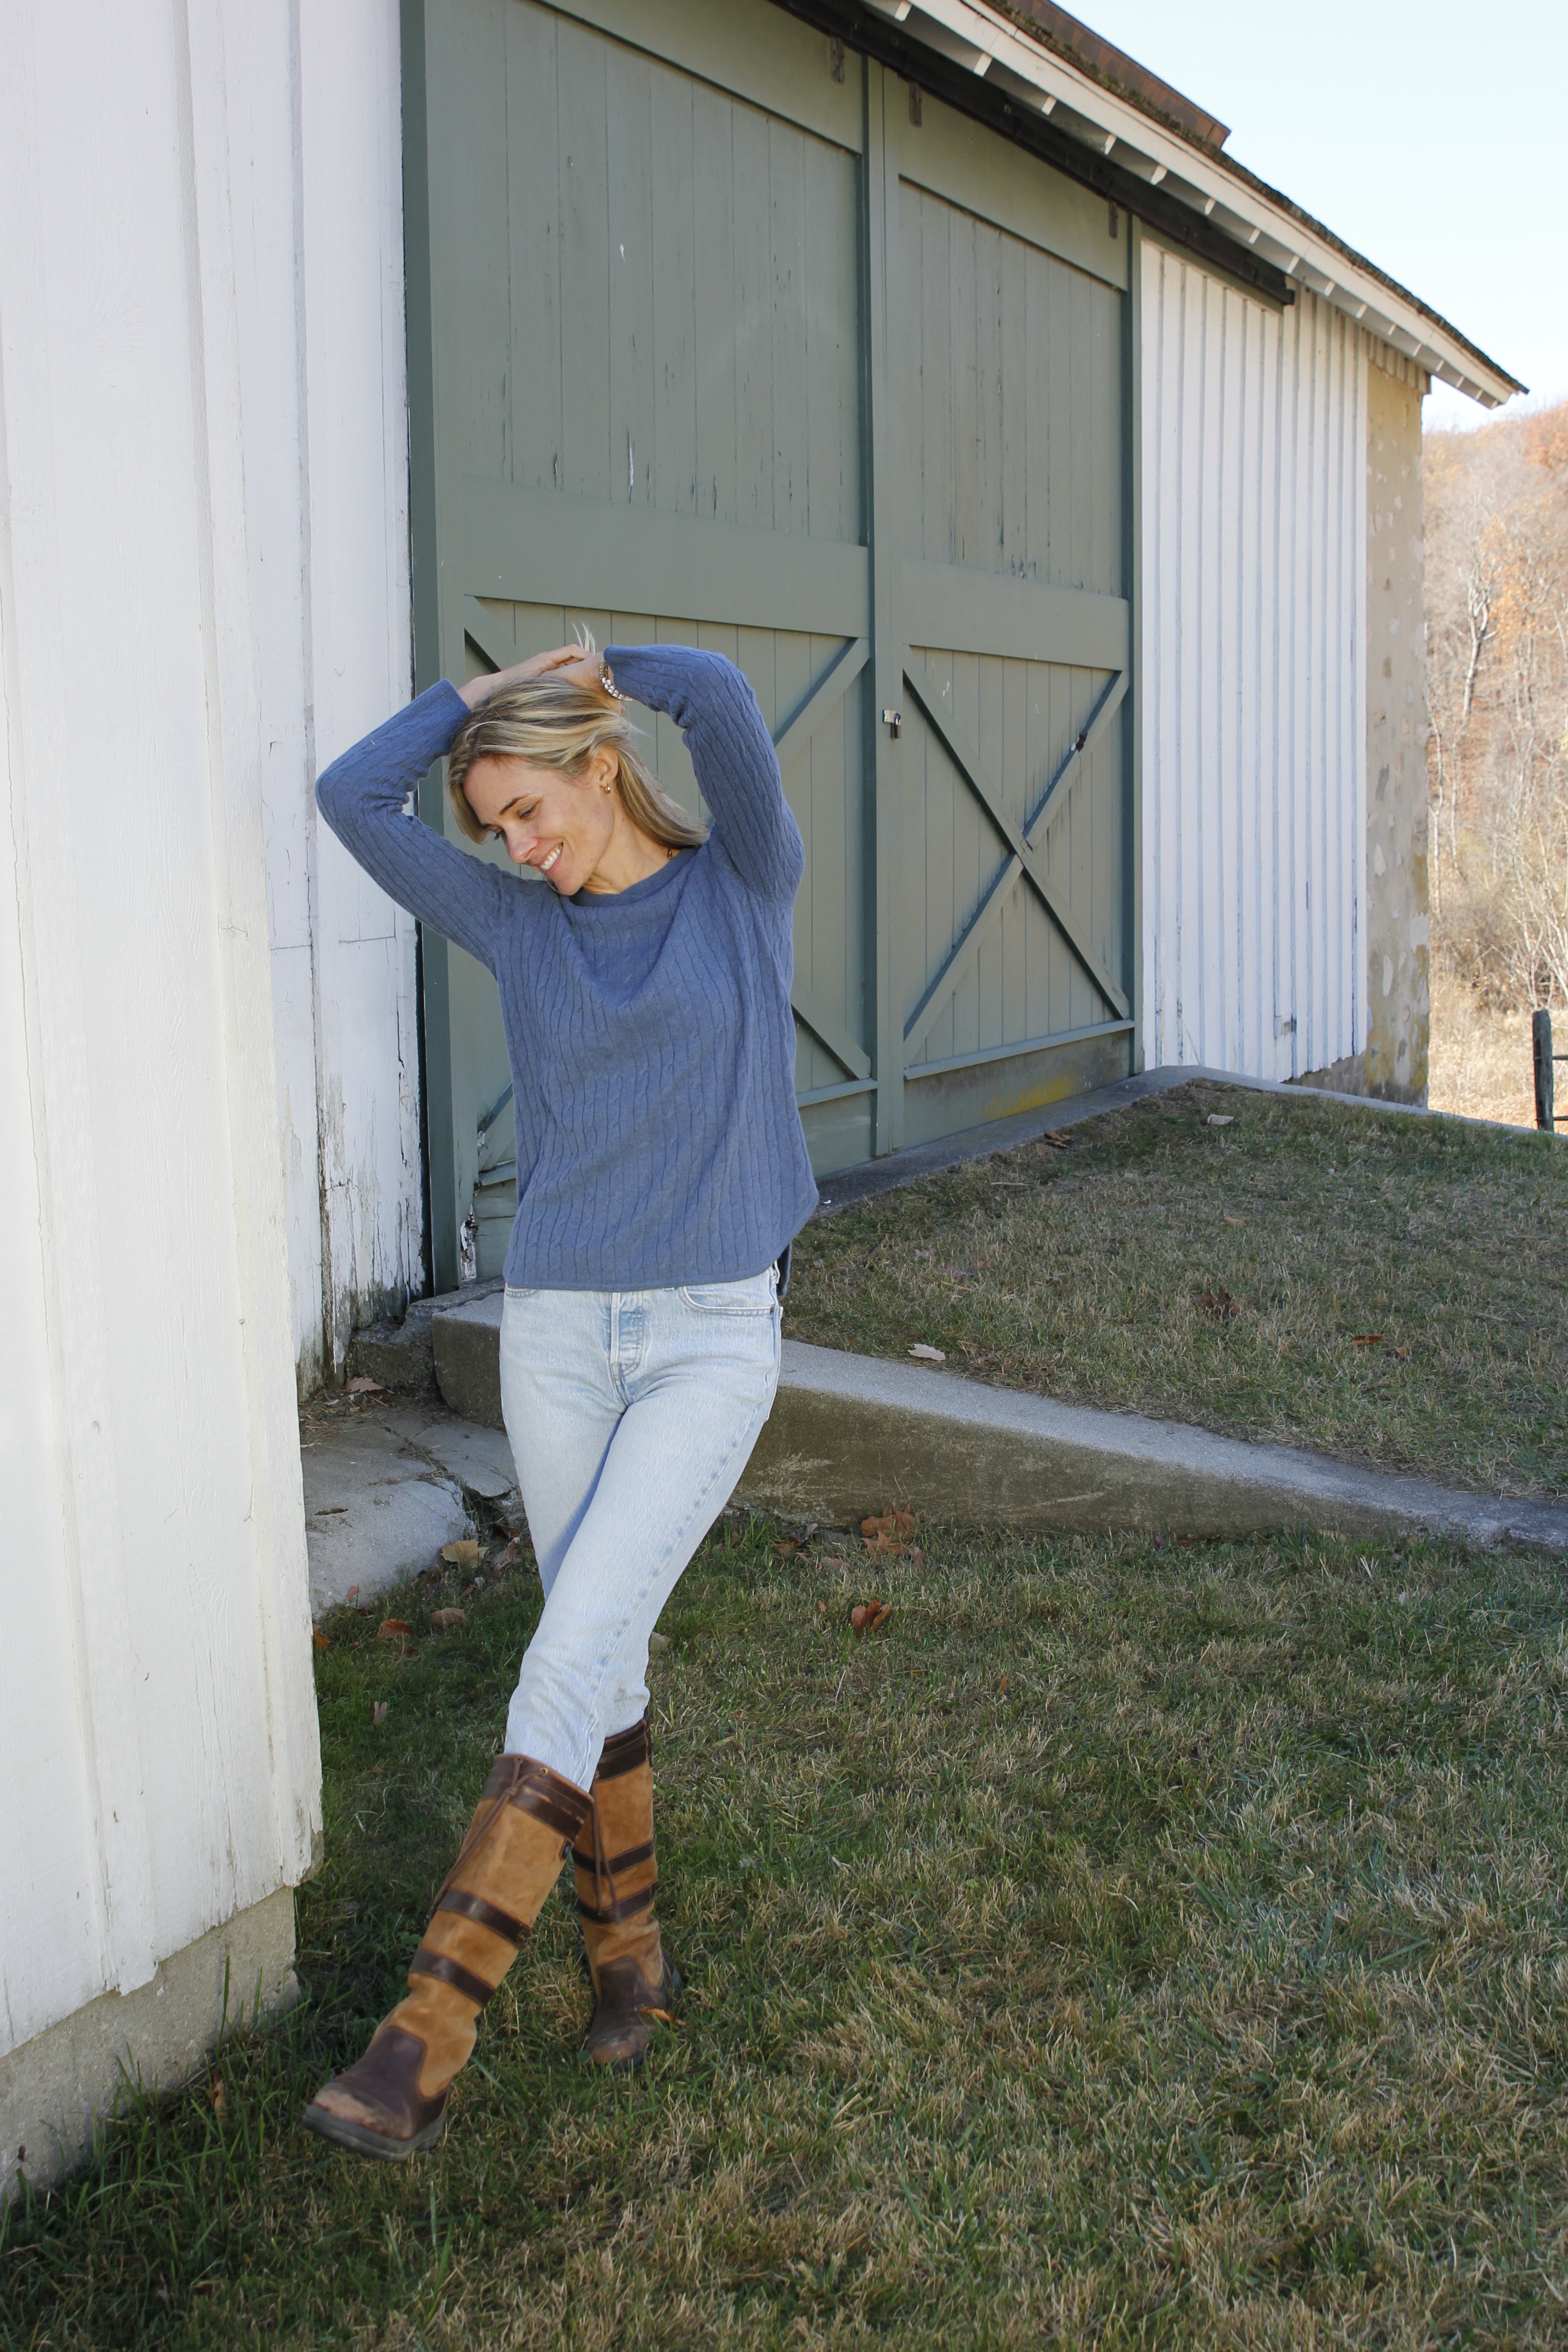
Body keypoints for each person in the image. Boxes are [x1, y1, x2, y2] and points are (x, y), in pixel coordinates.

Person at [300, 636, 817, 2162]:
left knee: (573, 1641)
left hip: (713, 1337)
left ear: (600, 764)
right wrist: (467, 708)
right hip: (562, 1337)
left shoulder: (745, 887)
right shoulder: (520, 927)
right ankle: (628, 1964)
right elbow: (350, 798)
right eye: (495, 829)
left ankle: (424, 2034)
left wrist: (599, 662)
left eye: (529, 808)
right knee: (605, 1637)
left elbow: (723, 700)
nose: (518, 847)